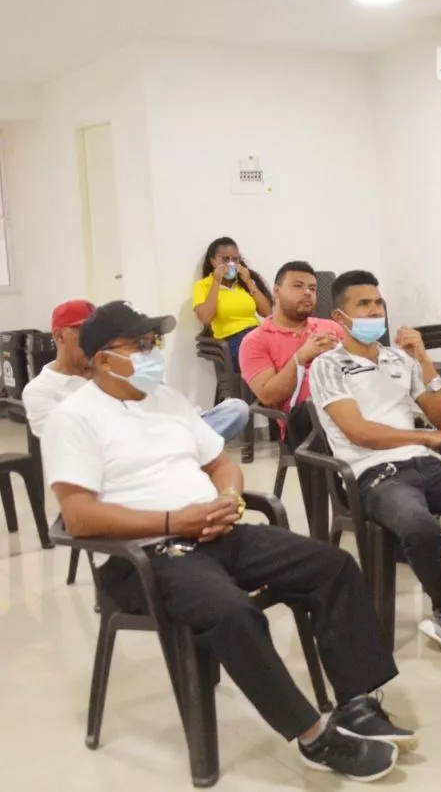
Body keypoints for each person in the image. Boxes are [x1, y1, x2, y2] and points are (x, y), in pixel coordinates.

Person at [42, 300, 417, 783]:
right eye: (138, 345)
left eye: (153, 341)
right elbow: (79, 516)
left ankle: (358, 704)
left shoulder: (168, 400)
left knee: (332, 565)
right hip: (149, 555)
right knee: (232, 610)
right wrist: (177, 520)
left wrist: (229, 500)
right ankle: (311, 737)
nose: (151, 351)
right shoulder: (74, 417)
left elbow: (221, 462)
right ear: (101, 358)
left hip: (215, 530)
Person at [309, 270, 441, 662]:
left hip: (424, 463)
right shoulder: (328, 366)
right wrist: (421, 437)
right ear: (341, 317)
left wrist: (423, 360)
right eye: (363, 304)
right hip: (374, 472)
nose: (374, 311)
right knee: (420, 528)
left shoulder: (400, 358)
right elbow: (358, 431)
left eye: (378, 302)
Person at [23, 299, 250, 443]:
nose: (89, 340)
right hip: (121, 458)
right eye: (80, 330)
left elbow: (163, 407)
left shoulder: (119, 370)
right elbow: (71, 443)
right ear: (59, 335)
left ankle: (185, 447)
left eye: (150, 344)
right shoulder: (41, 391)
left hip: (161, 438)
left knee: (235, 409)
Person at [238, 260, 344, 415]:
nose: (307, 292)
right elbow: (268, 397)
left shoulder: (331, 327)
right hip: (308, 421)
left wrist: (340, 354)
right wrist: (301, 357)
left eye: (312, 288)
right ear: (276, 291)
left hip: (353, 405)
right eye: (298, 286)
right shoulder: (254, 341)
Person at [192, 237, 272, 373]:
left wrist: (248, 282)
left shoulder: (243, 283)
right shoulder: (203, 286)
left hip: (257, 333)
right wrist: (216, 282)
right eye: (224, 259)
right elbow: (205, 318)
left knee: (286, 349)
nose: (231, 264)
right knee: (265, 363)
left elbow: (267, 313)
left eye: (235, 259)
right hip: (232, 340)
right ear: (212, 262)